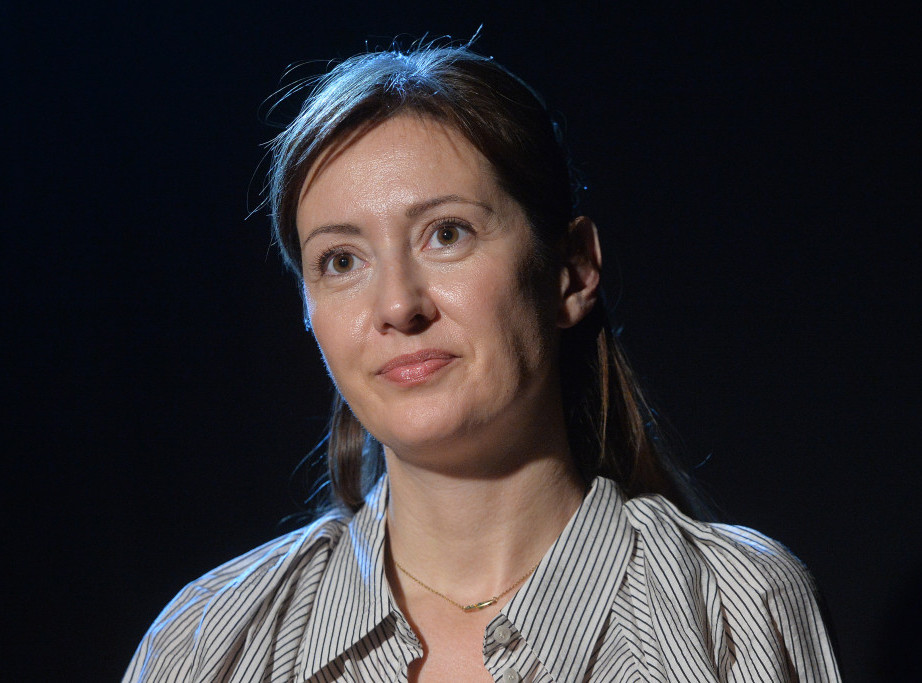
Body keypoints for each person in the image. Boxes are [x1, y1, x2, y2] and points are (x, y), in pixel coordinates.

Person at [123, 41, 841, 682]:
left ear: (571, 270)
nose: (398, 305)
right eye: (341, 260)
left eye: (447, 233)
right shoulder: (205, 644)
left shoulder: (737, 611)